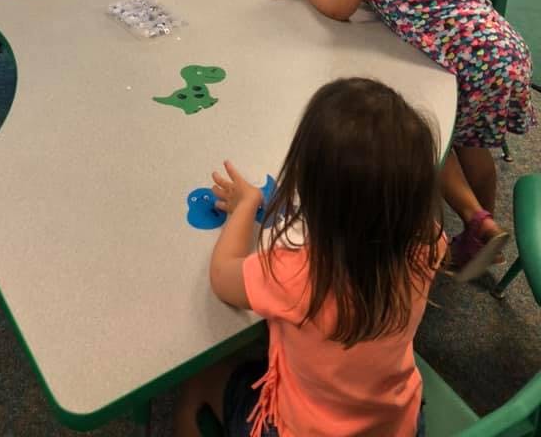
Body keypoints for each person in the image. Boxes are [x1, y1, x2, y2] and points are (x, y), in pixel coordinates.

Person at [272, 0, 535, 281]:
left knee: (438, 138)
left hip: (469, 63)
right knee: (472, 143)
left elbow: (340, 7)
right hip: (500, 47)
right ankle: (482, 219)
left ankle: (474, 226)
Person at [175, 78, 446, 437]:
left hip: (300, 429)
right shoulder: (430, 242)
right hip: (397, 424)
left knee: (198, 377)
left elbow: (223, 277)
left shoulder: (298, 274)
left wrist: (246, 205)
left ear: (315, 194)